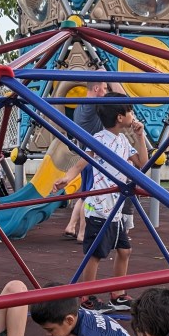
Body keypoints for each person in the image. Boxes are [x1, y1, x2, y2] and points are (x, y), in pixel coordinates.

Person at [55, 101, 148, 313]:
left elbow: (143, 163)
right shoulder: (98, 140)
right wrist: (66, 179)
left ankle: (117, 295)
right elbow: (81, 164)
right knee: (95, 254)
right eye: (130, 111)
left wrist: (141, 136)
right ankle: (86, 298)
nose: (133, 115)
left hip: (116, 208)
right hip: (99, 207)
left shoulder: (124, 140)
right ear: (120, 117)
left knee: (124, 250)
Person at [63, 81, 107, 242]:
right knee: (88, 196)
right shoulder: (93, 105)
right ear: (96, 88)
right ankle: (82, 233)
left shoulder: (81, 106)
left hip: (85, 154)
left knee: (83, 194)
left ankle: (71, 225)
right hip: (92, 157)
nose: (106, 91)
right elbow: (119, 98)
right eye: (105, 88)